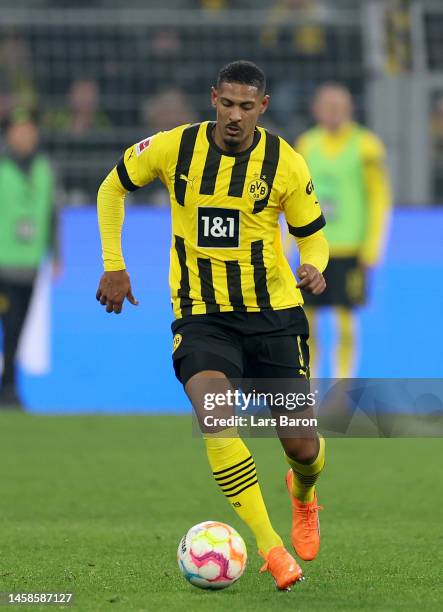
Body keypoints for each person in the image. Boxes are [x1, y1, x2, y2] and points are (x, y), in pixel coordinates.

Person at [96, 61, 329, 590]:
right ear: (213, 99)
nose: (235, 116)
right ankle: (272, 550)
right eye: (227, 104)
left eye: (247, 107)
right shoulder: (175, 147)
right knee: (214, 410)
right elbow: (112, 188)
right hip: (202, 315)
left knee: (302, 445)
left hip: (273, 316)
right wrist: (114, 262)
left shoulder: (285, 162)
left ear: (262, 108)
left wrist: (315, 264)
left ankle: (305, 495)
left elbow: (313, 234)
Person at [288, 83, 391, 378]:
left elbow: (379, 199)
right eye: (327, 106)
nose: (333, 112)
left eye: (339, 106)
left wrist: (372, 248)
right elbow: (291, 198)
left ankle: (343, 385)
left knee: (346, 320)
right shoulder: (306, 144)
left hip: (350, 248)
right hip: (312, 248)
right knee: (308, 321)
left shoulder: (366, 146)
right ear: (316, 110)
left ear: (350, 110)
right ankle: (309, 383)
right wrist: (286, 242)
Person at [0, 110, 58, 409]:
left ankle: (8, 389)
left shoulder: (44, 169)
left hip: (30, 266)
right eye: (19, 131)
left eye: (29, 131)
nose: (25, 137)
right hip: (2, 265)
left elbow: (51, 215)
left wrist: (56, 255)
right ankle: (7, 390)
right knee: (8, 328)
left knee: (16, 331)